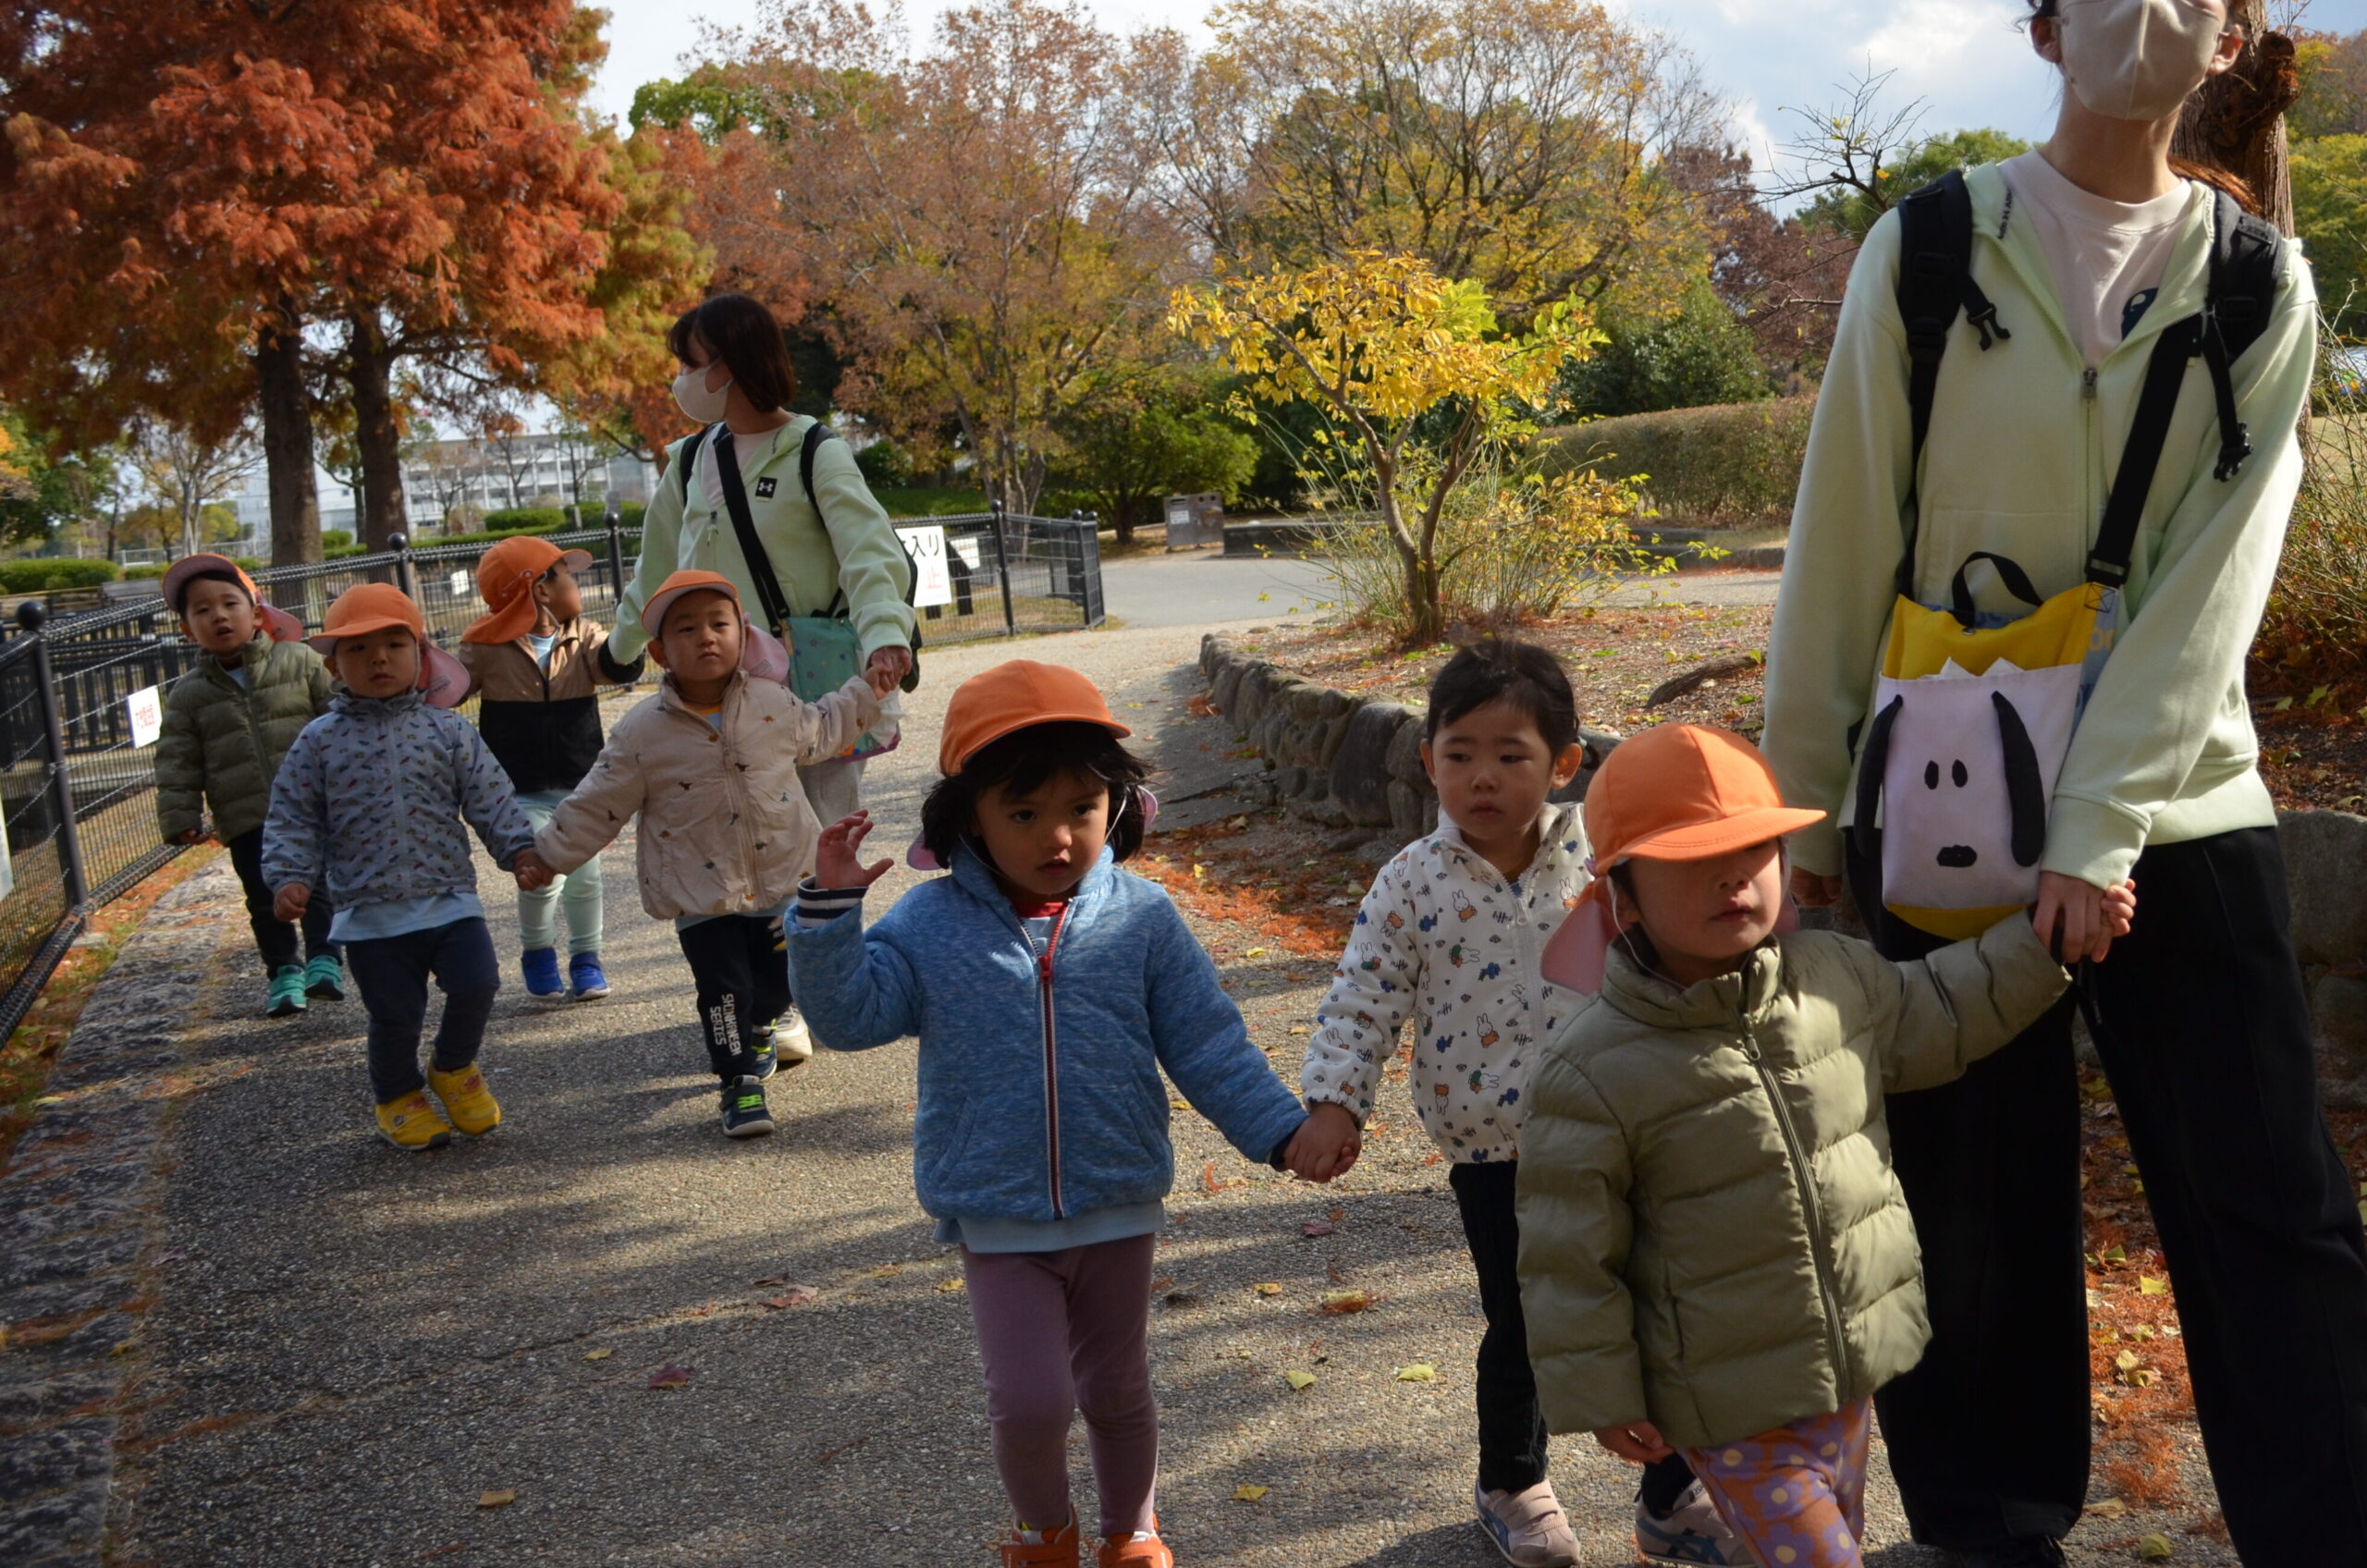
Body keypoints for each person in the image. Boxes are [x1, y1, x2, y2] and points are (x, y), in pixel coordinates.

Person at [1759, 3, 2367, 1562]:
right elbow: (1844, 534)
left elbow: (2214, 586)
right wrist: (1803, 811)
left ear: (2229, 44)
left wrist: (2098, 828)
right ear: (2041, 30)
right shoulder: (1929, 250)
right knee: (1966, 1206)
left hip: (2182, 805)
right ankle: (1990, 1531)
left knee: (2271, 1207)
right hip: (1943, 793)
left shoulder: (2260, 282)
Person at [1516, 725, 2128, 1568]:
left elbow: (1946, 1007)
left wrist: (2046, 940)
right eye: (1694, 858)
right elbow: (1567, 1256)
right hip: (1728, 1404)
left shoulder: (1834, 979)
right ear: (1622, 895)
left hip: (1847, 1375)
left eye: (1755, 847)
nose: (1733, 875)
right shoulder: (1592, 1068)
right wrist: (1602, 1392)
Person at [786, 660, 1311, 1568]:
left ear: (1119, 805)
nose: (1058, 836)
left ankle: (1132, 1530)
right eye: (1023, 813)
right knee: (1030, 1401)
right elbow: (849, 1018)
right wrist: (829, 913)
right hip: (996, 1210)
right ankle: (1043, 1532)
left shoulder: (1143, 918)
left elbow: (1208, 1042)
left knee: (1116, 1388)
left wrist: (1283, 1131)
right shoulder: (929, 926)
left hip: (1115, 1199)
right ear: (970, 820)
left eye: (1081, 807)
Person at [1287, 640, 1742, 1568]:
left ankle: (1672, 1491)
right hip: (1496, 1151)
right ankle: (1512, 1480)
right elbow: (1362, 997)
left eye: (1510, 755)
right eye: (1459, 755)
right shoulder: (1412, 881)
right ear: (1427, 760)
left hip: (1623, 1136)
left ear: (1564, 762)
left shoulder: (1602, 861)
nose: (1482, 777)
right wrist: (1335, 1101)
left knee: (1658, 1307)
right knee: (1525, 1321)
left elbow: (1672, 958)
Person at [613, 291, 916, 1059]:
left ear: (732, 365)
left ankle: (818, 988)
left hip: (811, 679)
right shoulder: (690, 461)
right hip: (717, 689)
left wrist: (886, 636)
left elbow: (869, 552)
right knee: (735, 837)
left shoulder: (814, 450)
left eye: (691, 363)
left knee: (818, 838)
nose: (682, 379)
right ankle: (767, 998)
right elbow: (657, 567)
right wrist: (620, 646)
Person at [531, 570, 890, 1139]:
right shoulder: (642, 733)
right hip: (701, 893)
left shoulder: (771, 701)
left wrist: (867, 692)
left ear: (743, 637)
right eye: (686, 629)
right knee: (724, 993)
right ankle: (737, 1082)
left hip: (780, 879)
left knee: (783, 981)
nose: (705, 637)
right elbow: (598, 801)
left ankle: (762, 1024)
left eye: (719, 624)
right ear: (658, 652)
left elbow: (822, 729)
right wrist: (549, 854)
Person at [262, 583, 552, 1151]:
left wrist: (520, 850)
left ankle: (454, 1066)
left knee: (479, 984)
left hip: (449, 898)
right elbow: (293, 815)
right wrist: (290, 876)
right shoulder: (318, 741)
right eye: (359, 648)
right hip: (370, 913)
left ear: (421, 655)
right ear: (333, 665)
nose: (379, 659)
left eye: (395, 645)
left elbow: (490, 796)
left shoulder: (447, 729)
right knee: (396, 1015)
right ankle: (396, 1096)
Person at [153, 554, 343, 1018]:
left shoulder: (301, 661)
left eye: (229, 604)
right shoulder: (189, 694)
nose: (218, 616)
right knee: (263, 898)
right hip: (244, 815)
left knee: (319, 884)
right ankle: (283, 971)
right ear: (187, 630)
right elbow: (178, 759)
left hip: (310, 806)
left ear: (256, 614)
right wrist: (180, 815)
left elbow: (339, 719)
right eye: (202, 610)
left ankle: (324, 959)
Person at [457, 535, 643, 1004]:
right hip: (518, 788)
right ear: (540, 590)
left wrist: (634, 630)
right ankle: (538, 954)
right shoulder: (485, 645)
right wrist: (425, 667)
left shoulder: (584, 634)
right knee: (544, 874)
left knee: (586, 877)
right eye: (566, 576)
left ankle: (586, 959)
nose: (576, 583)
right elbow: (451, 689)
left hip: (581, 787)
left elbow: (617, 667)